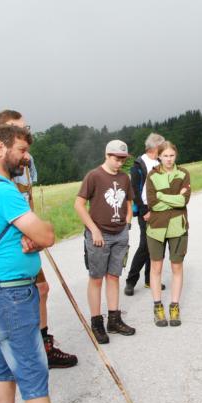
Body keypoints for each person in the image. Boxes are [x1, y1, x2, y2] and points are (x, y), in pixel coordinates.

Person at [0, 123, 79, 403]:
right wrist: (38, 235)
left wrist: (30, 239)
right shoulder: (5, 191)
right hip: (12, 293)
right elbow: (47, 234)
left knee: (4, 361)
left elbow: (26, 236)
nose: (26, 157)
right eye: (21, 150)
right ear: (1, 149)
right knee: (32, 367)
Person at [0, 110, 77, 370]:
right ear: (2, 136)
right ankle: (31, 350)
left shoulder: (25, 158)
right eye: (20, 128)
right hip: (10, 234)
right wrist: (12, 225)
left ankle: (42, 344)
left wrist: (29, 226)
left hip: (25, 228)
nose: (26, 133)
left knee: (42, 289)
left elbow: (27, 192)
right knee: (33, 290)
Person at [74, 140, 136, 344]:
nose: (119, 163)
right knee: (96, 278)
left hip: (120, 234)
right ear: (107, 155)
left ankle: (114, 318)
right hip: (99, 235)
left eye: (122, 159)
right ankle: (96, 322)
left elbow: (128, 201)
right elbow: (79, 204)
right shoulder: (94, 176)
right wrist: (94, 231)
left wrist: (127, 224)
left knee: (114, 276)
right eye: (116, 158)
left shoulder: (125, 178)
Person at [145, 141, 191, 327]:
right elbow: (153, 204)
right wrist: (172, 198)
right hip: (156, 229)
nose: (169, 159)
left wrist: (162, 196)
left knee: (176, 267)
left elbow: (183, 201)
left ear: (176, 156)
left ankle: (174, 305)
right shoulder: (152, 175)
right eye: (165, 156)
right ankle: (157, 306)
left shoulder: (184, 174)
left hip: (178, 227)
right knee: (156, 268)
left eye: (172, 155)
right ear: (159, 156)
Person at [124, 132, 166, 296]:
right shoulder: (138, 164)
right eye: (161, 147)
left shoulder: (160, 162)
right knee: (145, 245)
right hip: (145, 209)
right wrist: (144, 211)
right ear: (155, 147)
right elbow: (134, 190)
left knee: (157, 245)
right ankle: (131, 281)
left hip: (160, 208)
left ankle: (150, 279)